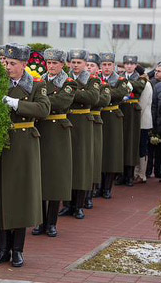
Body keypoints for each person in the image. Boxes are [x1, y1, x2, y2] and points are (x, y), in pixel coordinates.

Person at [0, 43, 50, 268]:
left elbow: (43, 110)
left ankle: (18, 250)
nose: (8, 67)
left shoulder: (36, 86)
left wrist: (16, 103)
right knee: (0, 196)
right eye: (6, 63)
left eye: (12, 63)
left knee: (19, 198)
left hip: (23, 145)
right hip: (1, 144)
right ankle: (2, 249)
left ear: (24, 64)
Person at [33, 48, 76, 236]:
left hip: (58, 131)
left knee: (55, 178)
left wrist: (41, 102)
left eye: (55, 63)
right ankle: (40, 221)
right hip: (41, 129)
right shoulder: (39, 81)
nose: (51, 66)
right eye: (48, 63)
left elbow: (61, 102)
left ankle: (52, 223)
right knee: (40, 177)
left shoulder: (68, 83)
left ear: (62, 64)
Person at [58, 49, 99, 219]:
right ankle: (67, 204)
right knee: (67, 164)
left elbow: (93, 97)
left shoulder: (91, 79)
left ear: (84, 64)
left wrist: (70, 94)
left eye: (79, 62)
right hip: (66, 121)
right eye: (73, 62)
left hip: (82, 124)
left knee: (81, 165)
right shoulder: (63, 78)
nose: (75, 65)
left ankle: (78, 205)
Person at [98, 53, 130, 198]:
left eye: (109, 65)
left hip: (112, 118)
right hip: (100, 116)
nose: (106, 67)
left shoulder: (120, 80)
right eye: (104, 65)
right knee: (99, 152)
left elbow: (119, 94)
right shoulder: (95, 79)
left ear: (114, 66)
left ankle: (107, 188)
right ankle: (98, 186)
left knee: (111, 153)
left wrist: (103, 91)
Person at [116, 55, 148, 187]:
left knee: (131, 142)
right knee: (121, 142)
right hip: (121, 109)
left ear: (136, 65)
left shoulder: (140, 78)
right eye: (126, 63)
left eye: (132, 64)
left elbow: (139, 86)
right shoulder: (119, 76)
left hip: (132, 112)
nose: (129, 66)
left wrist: (125, 84)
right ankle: (121, 174)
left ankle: (129, 175)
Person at [86, 53, 110, 206]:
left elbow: (103, 100)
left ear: (98, 68)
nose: (88, 68)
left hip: (94, 121)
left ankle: (89, 194)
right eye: (87, 65)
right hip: (78, 122)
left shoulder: (102, 84)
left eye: (92, 65)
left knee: (92, 159)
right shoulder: (77, 82)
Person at [134, 65, 153, 184]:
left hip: (143, 121)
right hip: (139, 120)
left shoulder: (146, 84)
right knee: (138, 146)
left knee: (142, 147)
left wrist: (134, 119)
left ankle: (142, 173)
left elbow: (142, 104)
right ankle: (137, 172)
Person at [146, 63, 161, 177]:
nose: (156, 73)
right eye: (156, 71)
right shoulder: (151, 83)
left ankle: (159, 171)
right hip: (152, 118)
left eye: (159, 71)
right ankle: (148, 171)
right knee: (150, 148)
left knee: (160, 149)